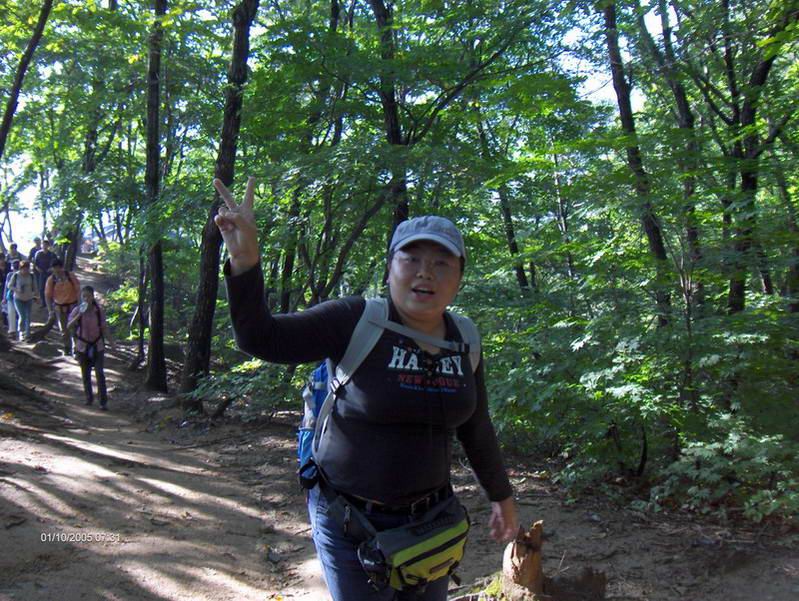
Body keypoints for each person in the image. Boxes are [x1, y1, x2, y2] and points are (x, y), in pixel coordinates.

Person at [214, 177, 519, 601]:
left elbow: (476, 425)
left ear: (459, 278)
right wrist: (244, 260)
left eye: (442, 263)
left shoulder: (464, 339)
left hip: (431, 522)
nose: (425, 272)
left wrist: (501, 496)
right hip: (349, 520)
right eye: (411, 258)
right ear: (390, 267)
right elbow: (262, 338)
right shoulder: (354, 320)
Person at [68, 286, 113, 409]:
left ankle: (103, 402)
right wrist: (79, 315)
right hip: (82, 346)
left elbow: (104, 328)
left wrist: (112, 343)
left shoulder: (98, 311)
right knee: (86, 373)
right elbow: (69, 326)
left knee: (99, 373)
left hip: (98, 345)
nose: (86, 299)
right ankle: (89, 398)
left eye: (88, 296)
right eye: (84, 296)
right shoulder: (77, 310)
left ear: (93, 297)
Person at [45, 258, 81, 354]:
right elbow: (48, 296)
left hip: (72, 306)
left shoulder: (70, 276)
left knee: (74, 328)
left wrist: (79, 305)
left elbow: (78, 290)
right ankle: (67, 347)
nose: (57, 270)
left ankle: (76, 348)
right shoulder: (51, 280)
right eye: (54, 268)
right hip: (59, 308)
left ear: (62, 267)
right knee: (63, 329)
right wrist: (50, 311)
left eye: (58, 267)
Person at [9, 260, 37, 341]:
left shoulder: (31, 276)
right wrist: (17, 290)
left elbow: (35, 287)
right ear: (20, 269)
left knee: (28, 316)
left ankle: (27, 334)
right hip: (18, 299)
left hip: (29, 298)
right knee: (22, 316)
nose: (25, 271)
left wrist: (36, 297)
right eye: (23, 269)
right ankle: (21, 332)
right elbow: (9, 285)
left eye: (27, 269)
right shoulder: (16, 275)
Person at [33, 240, 56, 308]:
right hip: (42, 274)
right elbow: (35, 264)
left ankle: (52, 302)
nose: (44, 246)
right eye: (43, 244)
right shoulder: (38, 254)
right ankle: (43, 302)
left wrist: (51, 269)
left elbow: (56, 264)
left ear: (48, 246)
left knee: (51, 287)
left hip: (50, 274)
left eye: (46, 245)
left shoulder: (52, 254)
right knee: (41, 288)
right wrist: (38, 269)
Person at [4, 260, 20, 338]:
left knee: (20, 314)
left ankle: (21, 330)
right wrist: (4, 298)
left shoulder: (23, 275)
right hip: (10, 296)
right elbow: (6, 287)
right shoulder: (9, 275)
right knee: (11, 313)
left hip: (20, 297)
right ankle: (12, 331)